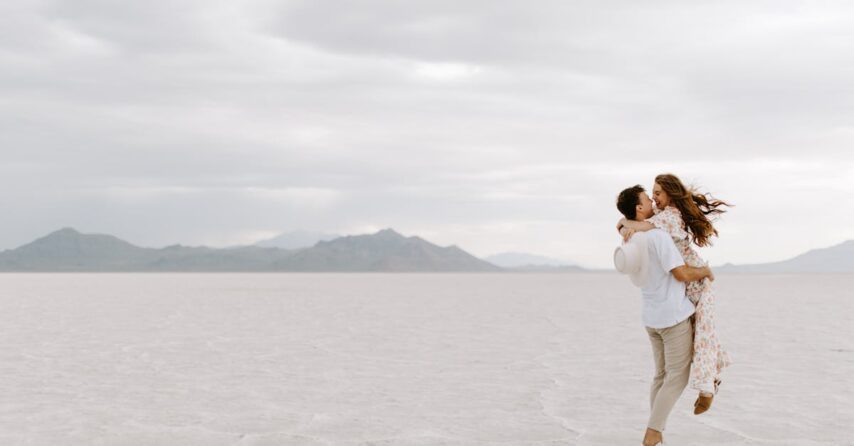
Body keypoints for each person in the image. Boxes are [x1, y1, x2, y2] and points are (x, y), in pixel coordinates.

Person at [617, 174, 731, 414]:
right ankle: (710, 382)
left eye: (657, 193)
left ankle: (707, 388)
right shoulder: (660, 217)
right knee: (701, 337)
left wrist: (629, 224)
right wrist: (626, 222)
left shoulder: (670, 216)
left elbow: (640, 225)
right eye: (651, 194)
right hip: (688, 284)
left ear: (669, 194)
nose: (654, 198)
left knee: (703, 337)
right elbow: (626, 223)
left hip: (696, 280)